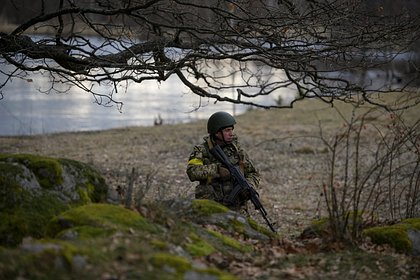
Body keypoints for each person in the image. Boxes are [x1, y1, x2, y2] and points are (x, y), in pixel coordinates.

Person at [186, 111, 260, 212]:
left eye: (232, 130)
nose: (231, 133)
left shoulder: (237, 150)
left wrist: (249, 185)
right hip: (211, 206)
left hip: (237, 208)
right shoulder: (201, 150)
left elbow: (253, 173)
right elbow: (192, 172)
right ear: (217, 132)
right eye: (227, 130)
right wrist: (216, 170)